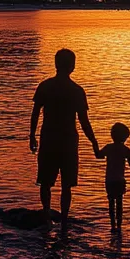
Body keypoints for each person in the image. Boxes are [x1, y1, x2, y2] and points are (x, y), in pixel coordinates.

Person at [30, 47, 99, 233]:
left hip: (49, 139)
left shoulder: (45, 86)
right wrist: (93, 142)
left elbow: (35, 114)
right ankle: (64, 219)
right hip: (68, 142)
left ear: (56, 64)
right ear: (72, 67)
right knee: (66, 185)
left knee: (45, 182)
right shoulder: (77, 91)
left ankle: (46, 215)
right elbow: (84, 122)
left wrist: (32, 136)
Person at [96, 122, 130, 232]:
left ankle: (112, 225)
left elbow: (98, 155)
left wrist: (94, 143)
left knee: (111, 202)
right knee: (119, 203)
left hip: (109, 180)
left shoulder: (108, 148)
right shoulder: (126, 150)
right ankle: (119, 225)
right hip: (120, 181)